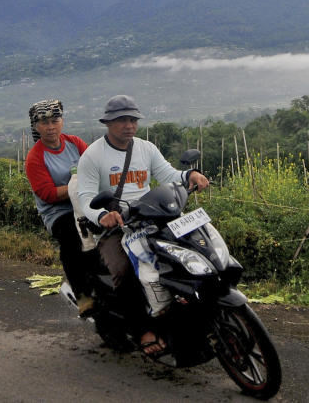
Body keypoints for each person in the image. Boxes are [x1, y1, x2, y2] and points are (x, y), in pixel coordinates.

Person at [75, 94, 209, 356]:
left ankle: (191, 312)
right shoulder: (93, 156)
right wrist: (103, 215)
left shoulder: (146, 148)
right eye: (122, 120)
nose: (129, 125)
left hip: (152, 219)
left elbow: (169, 174)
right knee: (124, 270)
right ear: (108, 123)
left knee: (192, 253)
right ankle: (142, 329)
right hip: (116, 228)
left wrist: (189, 175)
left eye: (133, 120)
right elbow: (86, 196)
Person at [23, 99, 94, 315]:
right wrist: (76, 185)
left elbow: (94, 166)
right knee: (72, 239)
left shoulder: (75, 143)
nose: (51, 126)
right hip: (59, 212)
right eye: (44, 123)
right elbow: (48, 194)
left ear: (62, 121)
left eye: (55, 120)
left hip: (85, 203)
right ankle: (83, 297)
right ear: (36, 127)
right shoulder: (35, 158)